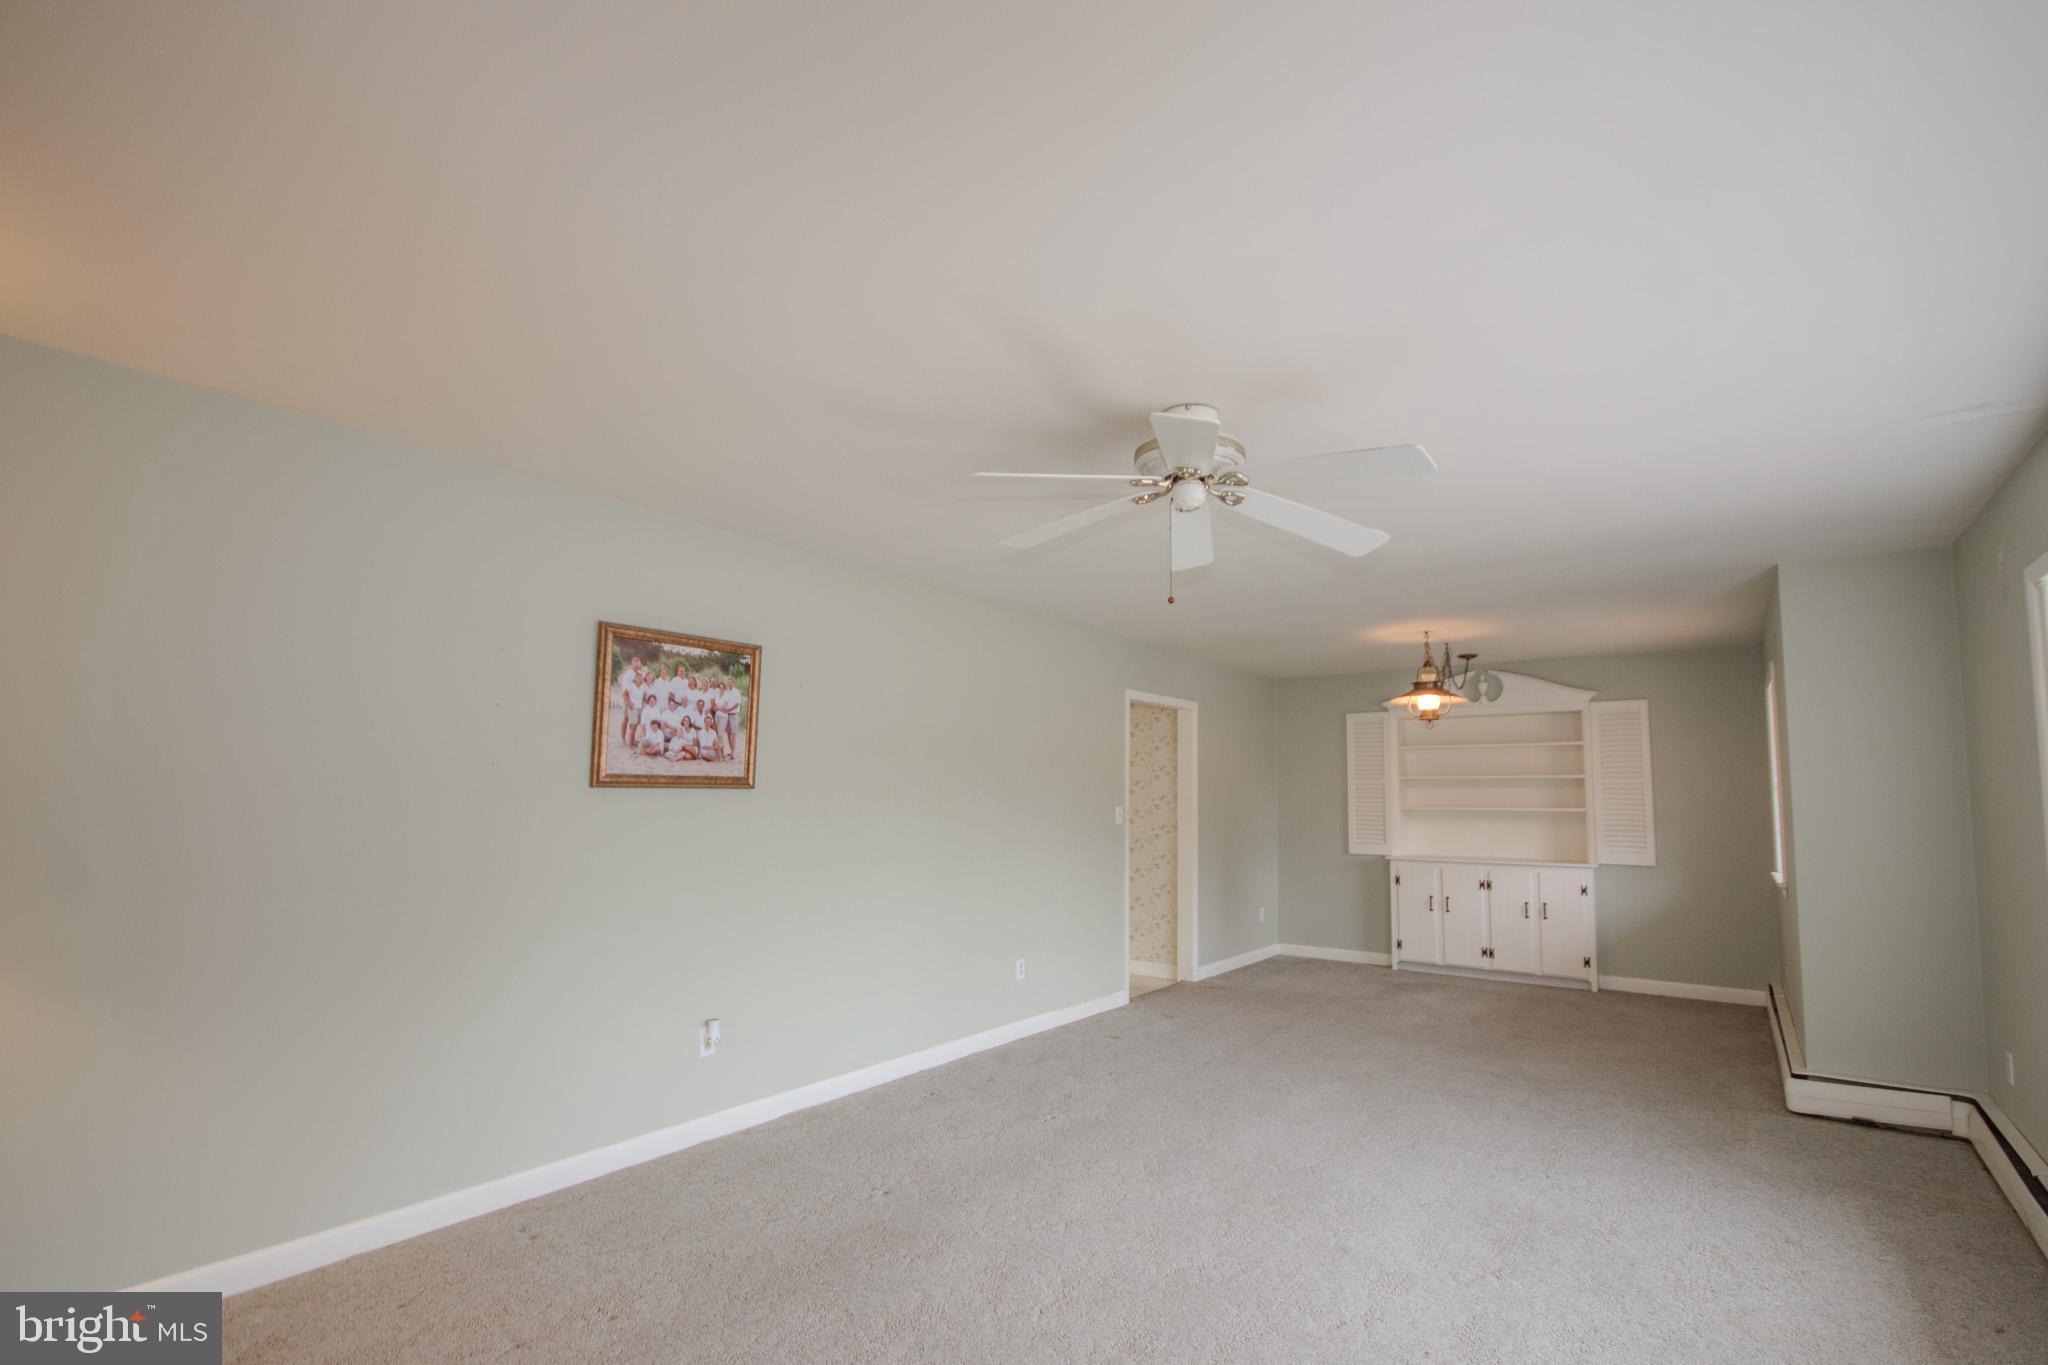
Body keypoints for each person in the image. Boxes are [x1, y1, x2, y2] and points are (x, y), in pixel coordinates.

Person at [618, 659, 647, 747]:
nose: (637, 664)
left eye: (638, 663)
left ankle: (632, 739)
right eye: (635, 663)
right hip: (629, 700)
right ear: (632, 664)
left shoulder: (639, 673)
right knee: (626, 718)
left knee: (634, 721)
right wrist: (628, 702)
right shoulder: (628, 674)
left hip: (637, 702)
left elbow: (642, 685)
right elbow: (625, 691)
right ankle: (623, 738)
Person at [715, 674, 742, 760]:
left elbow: (737, 704)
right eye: (728, 682)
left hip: (733, 714)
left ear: (733, 683)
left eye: (731, 682)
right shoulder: (726, 692)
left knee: (733, 734)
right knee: (728, 734)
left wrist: (728, 710)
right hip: (726, 715)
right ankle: (731, 751)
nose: (729, 684)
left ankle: (733, 753)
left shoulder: (736, 692)